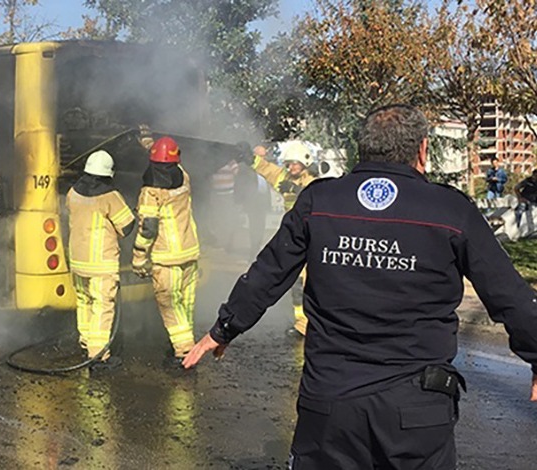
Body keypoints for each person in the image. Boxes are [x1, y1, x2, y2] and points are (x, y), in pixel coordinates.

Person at [184, 104, 537, 469]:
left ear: (363, 148)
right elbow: (509, 294)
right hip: (415, 411)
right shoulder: (450, 210)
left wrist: (225, 327)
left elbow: (269, 271)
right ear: (422, 150)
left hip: (329, 404)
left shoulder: (320, 200)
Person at [132, 136, 201, 366]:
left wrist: (139, 258)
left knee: (169, 303)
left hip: (166, 258)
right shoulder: (184, 179)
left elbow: (148, 229)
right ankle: (186, 346)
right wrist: (149, 143)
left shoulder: (151, 192)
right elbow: (169, 161)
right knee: (185, 303)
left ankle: (183, 351)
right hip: (190, 253)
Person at [67, 150, 135, 369]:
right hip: (100, 264)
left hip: (78, 262)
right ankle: (98, 357)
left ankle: (87, 345)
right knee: (102, 307)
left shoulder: (72, 193)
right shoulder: (109, 196)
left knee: (84, 302)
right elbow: (126, 226)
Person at [248, 141, 318, 336]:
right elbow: (266, 169)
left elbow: (314, 196)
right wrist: (249, 156)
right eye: (288, 164)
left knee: (311, 283)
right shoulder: (284, 177)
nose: (290, 167)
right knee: (296, 283)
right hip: (296, 237)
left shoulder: (313, 181)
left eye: (294, 163)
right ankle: (301, 324)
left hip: (312, 238)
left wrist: (296, 191)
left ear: (305, 162)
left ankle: (312, 324)